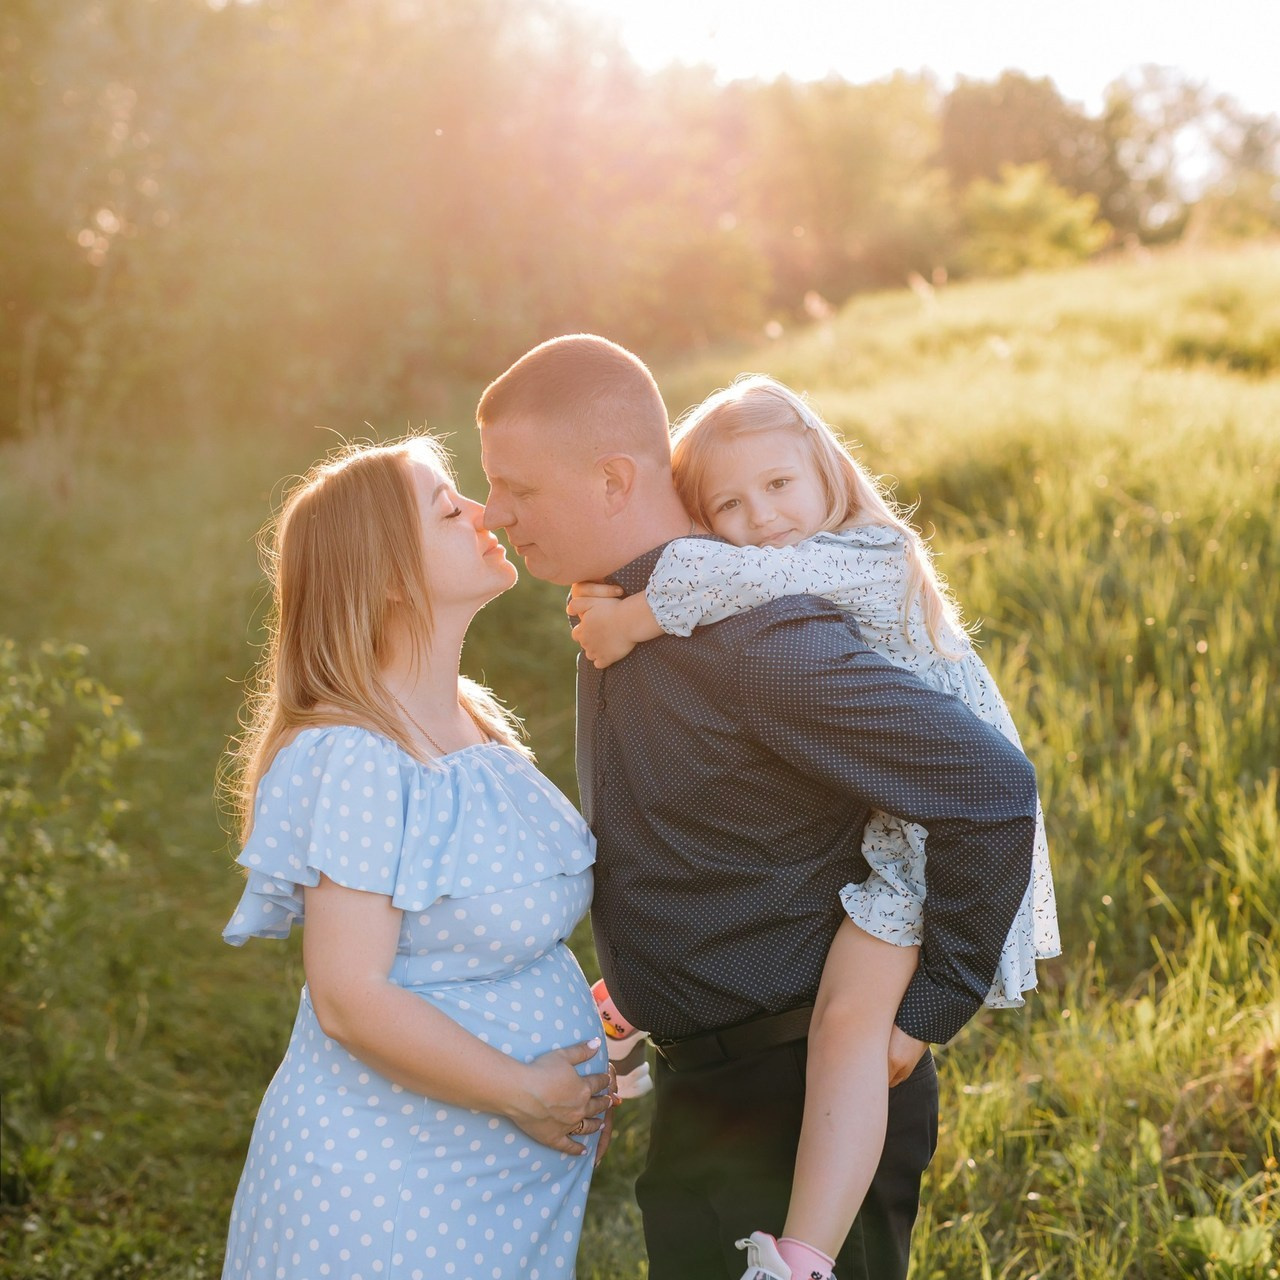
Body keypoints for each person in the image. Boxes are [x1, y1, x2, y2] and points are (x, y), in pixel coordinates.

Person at [476, 335, 1040, 1280]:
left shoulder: (755, 638)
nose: (495, 513)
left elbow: (987, 786)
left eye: (514, 488)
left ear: (613, 478)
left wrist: (932, 1006)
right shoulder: (625, 608)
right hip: (711, 1088)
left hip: (801, 1097)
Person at [218, 435, 615, 1280]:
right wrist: (524, 1089)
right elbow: (349, 997)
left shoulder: (477, 726)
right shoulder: (359, 756)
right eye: (449, 508)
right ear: (390, 576)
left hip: (491, 1179)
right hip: (391, 1189)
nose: (486, 514)